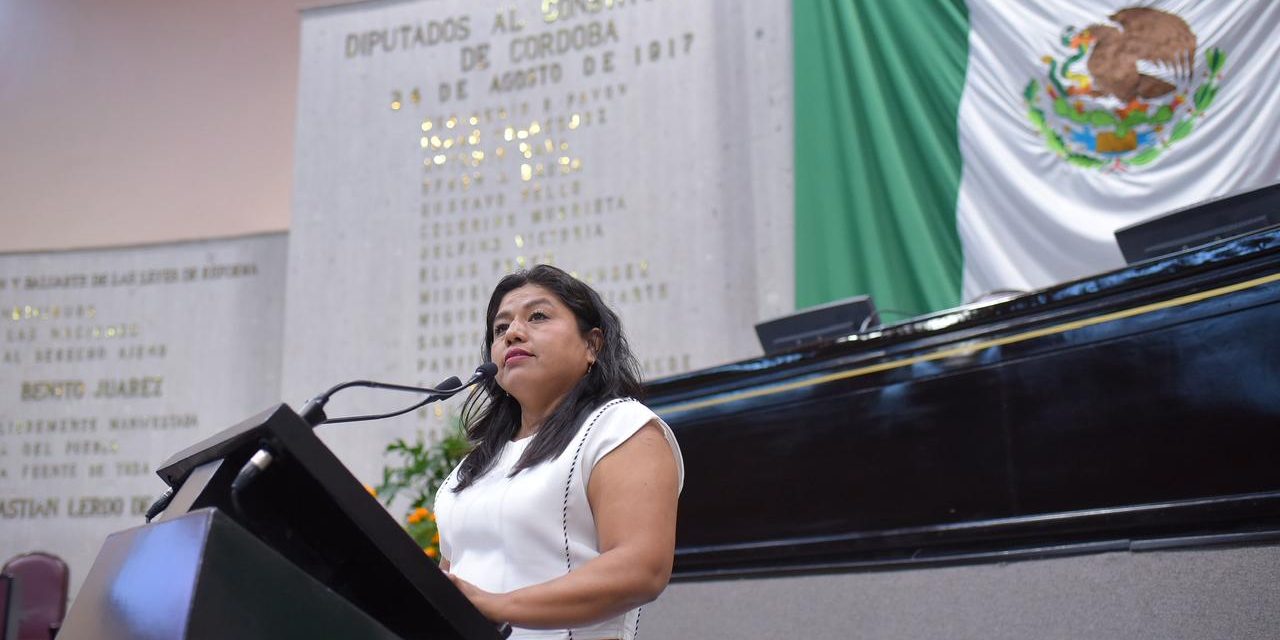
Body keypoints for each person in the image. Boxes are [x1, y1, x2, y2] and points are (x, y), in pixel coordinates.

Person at [434, 264, 685, 640]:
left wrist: (495, 606)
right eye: (500, 328)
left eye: (537, 316)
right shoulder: (474, 466)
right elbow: (451, 583)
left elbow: (640, 568)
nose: (512, 333)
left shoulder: (621, 427)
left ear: (592, 345)